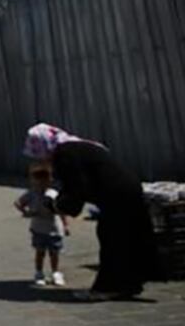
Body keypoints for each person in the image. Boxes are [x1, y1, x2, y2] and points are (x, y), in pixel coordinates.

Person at [23, 123, 159, 300]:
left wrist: (57, 206)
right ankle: (128, 285)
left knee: (112, 238)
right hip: (125, 190)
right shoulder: (71, 147)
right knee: (124, 238)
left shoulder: (65, 154)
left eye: (39, 154)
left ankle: (107, 288)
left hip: (117, 194)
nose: (41, 159)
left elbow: (76, 189)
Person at [14, 161, 67, 286]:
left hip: (54, 228)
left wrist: (65, 225)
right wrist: (26, 212)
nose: (41, 183)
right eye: (38, 180)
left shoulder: (53, 194)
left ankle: (55, 272)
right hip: (38, 228)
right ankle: (39, 272)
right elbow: (18, 202)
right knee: (40, 252)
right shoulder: (31, 193)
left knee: (54, 252)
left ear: (50, 180)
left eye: (45, 180)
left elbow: (62, 211)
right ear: (33, 180)